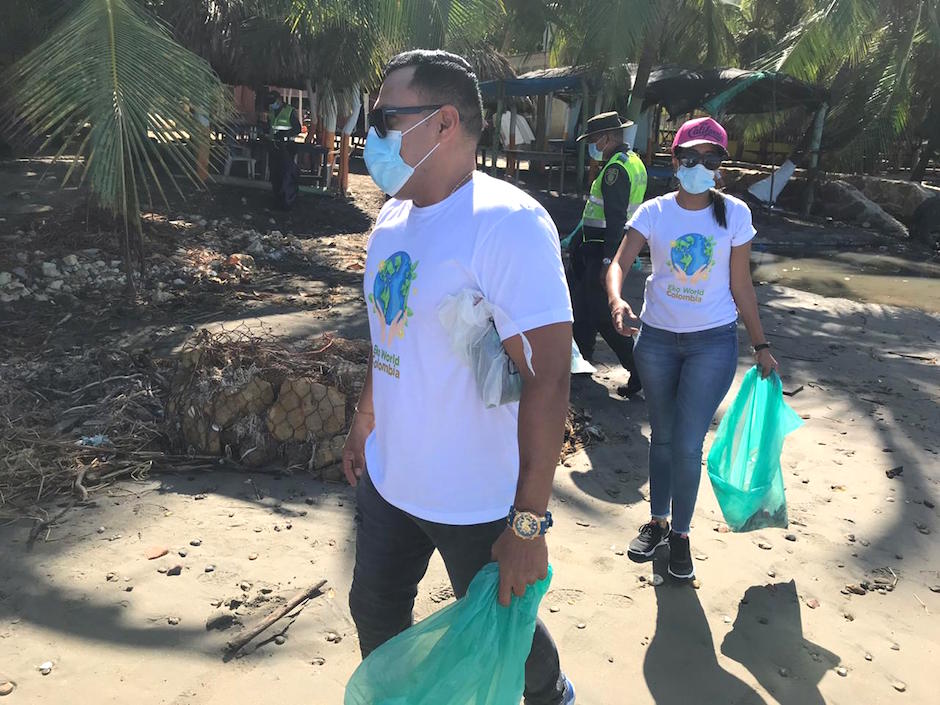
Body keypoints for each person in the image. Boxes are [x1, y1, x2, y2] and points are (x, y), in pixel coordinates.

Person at [343, 50, 577, 705]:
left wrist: (528, 523)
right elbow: (389, 336)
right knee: (376, 611)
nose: (374, 135)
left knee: (510, 628)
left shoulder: (507, 225)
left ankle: (552, 694)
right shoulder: (390, 220)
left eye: (386, 117)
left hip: (476, 499)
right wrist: (366, 419)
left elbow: (548, 379)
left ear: (444, 123)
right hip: (391, 481)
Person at [605, 116, 779, 580]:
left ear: (721, 165)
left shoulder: (735, 214)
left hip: (712, 344)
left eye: (710, 159)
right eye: (690, 158)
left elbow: (741, 283)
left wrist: (760, 344)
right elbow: (619, 263)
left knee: (686, 442)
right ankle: (658, 520)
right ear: (675, 162)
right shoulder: (654, 212)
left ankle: (681, 534)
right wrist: (617, 299)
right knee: (661, 438)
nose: (699, 166)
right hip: (656, 341)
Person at [565, 112, 648, 397]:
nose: (593, 145)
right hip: (594, 247)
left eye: (593, 139)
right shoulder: (632, 162)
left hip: (603, 249)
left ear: (608, 137)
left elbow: (615, 219)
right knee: (582, 309)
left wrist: (607, 263)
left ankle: (638, 370)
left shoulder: (615, 170)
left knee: (601, 314)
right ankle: (581, 363)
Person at [263, 90, 301, 209]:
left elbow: (297, 129)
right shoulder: (271, 111)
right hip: (274, 146)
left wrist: (285, 134)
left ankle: (286, 201)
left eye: (273, 102)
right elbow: (270, 126)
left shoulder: (289, 111)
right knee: (275, 174)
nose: (271, 104)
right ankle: (277, 199)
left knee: (286, 174)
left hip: (286, 146)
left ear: (279, 100)